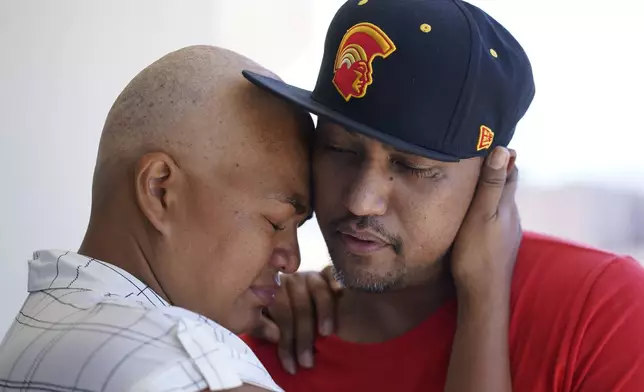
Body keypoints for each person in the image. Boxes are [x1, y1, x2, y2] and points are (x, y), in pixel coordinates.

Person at [240, 0, 644, 391]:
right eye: (340, 149)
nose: (361, 200)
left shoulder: (600, 313)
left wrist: (484, 300)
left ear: (496, 176)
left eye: (413, 167)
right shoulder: (253, 339)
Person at [0, 45, 314, 392]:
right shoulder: (186, 366)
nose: (293, 260)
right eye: (275, 222)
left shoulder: (41, 323)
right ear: (161, 191)